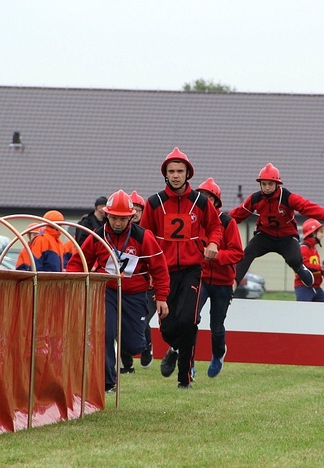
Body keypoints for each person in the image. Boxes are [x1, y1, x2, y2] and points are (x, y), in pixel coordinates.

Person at [66, 190, 170, 392]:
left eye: (122, 219)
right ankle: (108, 382)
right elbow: (79, 261)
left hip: (135, 294)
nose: (117, 223)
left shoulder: (143, 237)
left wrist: (162, 297)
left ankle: (143, 345)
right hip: (107, 291)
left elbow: (159, 268)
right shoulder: (98, 236)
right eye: (113, 217)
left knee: (132, 346)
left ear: (131, 217)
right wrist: (73, 283)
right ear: (107, 215)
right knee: (105, 333)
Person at [140, 147, 222, 389]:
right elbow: (144, 235)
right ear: (165, 174)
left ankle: (184, 379)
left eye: (180, 171)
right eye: (172, 171)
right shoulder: (153, 203)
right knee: (167, 325)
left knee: (188, 321)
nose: (176, 175)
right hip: (162, 272)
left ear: (188, 174)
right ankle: (173, 347)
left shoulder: (201, 201)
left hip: (192, 270)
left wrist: (214, 243)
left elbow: (215, 227)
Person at [229, 163, 324, 289]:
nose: (267, 188)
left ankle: (300, 267)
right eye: (264, 184)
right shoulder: (255, 198)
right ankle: (232, 286)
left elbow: (306, 207)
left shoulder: (288, 198)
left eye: (270, 184)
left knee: (293, 259)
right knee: (247, 253)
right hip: (265, 235)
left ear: (277, 184)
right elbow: (238, 214)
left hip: (287, 236)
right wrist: (221, 223)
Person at [195, 177, 244, 378]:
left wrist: (217, 255)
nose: (205, 201)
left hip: (223, 282)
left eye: (209, 197)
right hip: (200, 279)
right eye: (201, 197)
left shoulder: (227, 222)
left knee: (216, 326)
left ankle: (218, 353)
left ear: (216, 201)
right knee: (191, 319)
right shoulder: (193, 221)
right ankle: (187, 362)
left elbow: (238, 253)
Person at [120, 190, 154, 372]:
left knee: (142, 321)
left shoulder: (147, 234)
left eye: (138, 211)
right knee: (120, 324)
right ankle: (127, 364)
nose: (134, 215)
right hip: (123, 288)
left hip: (147, 288)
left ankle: (147, 347)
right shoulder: (116, 233)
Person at [294, 218, 324, 302]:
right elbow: (303, 266)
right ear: (313, 233)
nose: (322, 235)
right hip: (304, 287)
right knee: (303, 312)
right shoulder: (303, 249)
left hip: (316, 287)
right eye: (320, 232)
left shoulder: (314, 250)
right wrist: (321, 268)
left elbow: (315, 269)